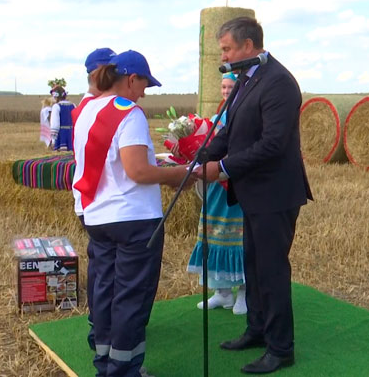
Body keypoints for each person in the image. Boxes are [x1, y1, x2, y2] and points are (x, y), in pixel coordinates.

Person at [196, 17, 313, 374]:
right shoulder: (248, 78)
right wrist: (199, 156)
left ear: (249, 46)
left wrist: (223, 167)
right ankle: (258, 330)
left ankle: (281, 348)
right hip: (252, 193)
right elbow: (230, 132)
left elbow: (273, 145)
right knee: (253, 265)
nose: (224, 56)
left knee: (272, 270)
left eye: (228, 49)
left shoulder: (278, 82)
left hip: (275, 193)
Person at [72, 50, 192, 377]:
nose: (143, 92)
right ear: (130, 79)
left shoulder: (87, 109)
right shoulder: (129, 113)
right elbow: (138, 171)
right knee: (131, 298)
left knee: (105, 292)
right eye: (143, 84)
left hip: (97, 215)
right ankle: (124, 370)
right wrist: (180, 173)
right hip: (133, 219)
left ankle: (105, 362)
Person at [186, 72, 247, 315]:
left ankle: (244, 291)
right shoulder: (215, 119)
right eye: (223, 86)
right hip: (214, 187)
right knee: (213, 236)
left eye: (230, 86)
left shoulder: (244, 116)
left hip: (233, 186)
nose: (225, 90)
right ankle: (221, 292)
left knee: (238, 239)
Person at [75, 47, 116, 354]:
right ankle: (102, 328)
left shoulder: (87, 105)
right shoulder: (95, 108)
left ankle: (100, 325)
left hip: (91, 200)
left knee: (102, 269)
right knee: (105, 272)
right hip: (99, 201)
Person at [49, 86, 75, 151]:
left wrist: (53, 140)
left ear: (55, 96)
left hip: (61, 136)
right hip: (72, 135)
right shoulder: (73, 105)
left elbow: (55, 125)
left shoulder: (56, 106)